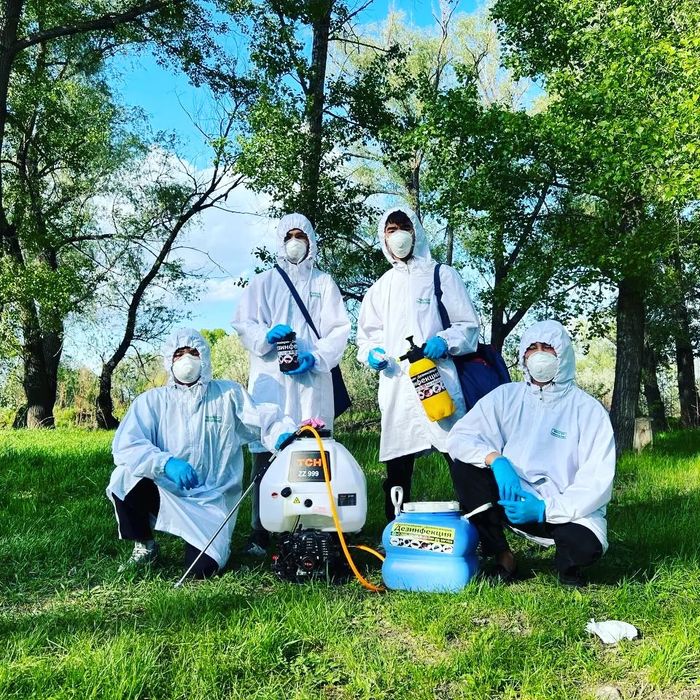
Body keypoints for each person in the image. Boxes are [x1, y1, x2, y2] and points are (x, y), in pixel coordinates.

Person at [107, 328, 296, 579]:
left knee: (202, 570)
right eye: (179, 353)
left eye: (193, 352)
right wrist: (166, 463)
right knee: (123, 477)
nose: (186, 359)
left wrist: (282, 433)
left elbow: (263, 420)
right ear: (169, 359)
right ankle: (145, 544)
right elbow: (127, 446)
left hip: (213, 500)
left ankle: (207, 543)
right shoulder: (151, 401)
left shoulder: (228, 394)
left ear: (204, 357)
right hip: (168, 489)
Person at [447, 319, 616, 587]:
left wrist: (545, 509)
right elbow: (460, 437)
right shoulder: (506, 397)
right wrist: (496, 460)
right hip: (513, 496)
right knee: (464, 467)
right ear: (523, 355)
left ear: (563, 354)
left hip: (563, 508)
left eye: (547, 348)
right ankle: (503, 556)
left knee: (585, 545)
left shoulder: (588, 411)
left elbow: (596, 481)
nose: (539, 355)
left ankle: (567, 569)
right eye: (532, 348)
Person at [232, 213, 351, 555]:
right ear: (280, 241)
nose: (295, 241)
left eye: (301, 235)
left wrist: (315, 357)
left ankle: (316, 524)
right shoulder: (263, 283)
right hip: (272, 381)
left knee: (314, 453)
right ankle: (260, 530)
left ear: (311, 241)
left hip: (312, 380)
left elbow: (339, 330)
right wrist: (266, 335)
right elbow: (243, 323)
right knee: (266, 451)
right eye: (289, 236)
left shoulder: (323, 283)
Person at [356, 205, 480, 521]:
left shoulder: (442, 275)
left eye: (404, 227)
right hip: (397, 383)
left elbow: (468, 327)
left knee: (460, 457)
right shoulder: (380, 288)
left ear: (416, 232)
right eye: (391, 229)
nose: (398, 235)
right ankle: (395, 531)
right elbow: (366, 338)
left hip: (437, 378)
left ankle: (483, 532)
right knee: (398, 468)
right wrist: (372, 355)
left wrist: (445, 341)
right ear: (383, 237)